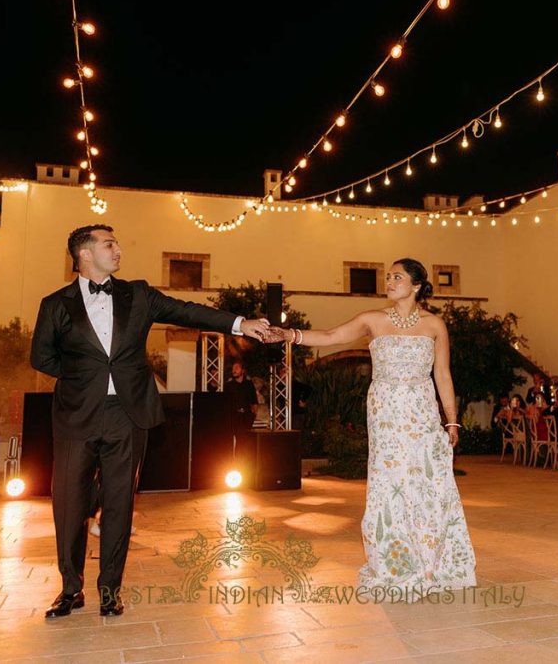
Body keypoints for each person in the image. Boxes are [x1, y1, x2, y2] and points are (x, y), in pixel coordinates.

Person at [30, 224, 271, 618]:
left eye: (118, 241)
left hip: (129, 415)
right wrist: (83, 379)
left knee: (119, 504)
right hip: (77, 416)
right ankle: (70, 589)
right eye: (109, 243)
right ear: (84, 253)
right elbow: (42, 357)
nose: (118, 248)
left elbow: (188, 310)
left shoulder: (138, 295)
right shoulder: (55, 303)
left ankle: (110, 590)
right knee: (70, 505)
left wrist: (239, 323)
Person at [268, 258, 475, 593]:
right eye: (388, 276)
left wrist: (451, 420)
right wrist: (291, 334)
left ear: (417, 285)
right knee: (390, 483)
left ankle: (432, 560)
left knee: (425, 483)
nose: (389, 282)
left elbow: (443, 375)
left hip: (421, 413)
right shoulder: (373, 319)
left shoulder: (435, 325)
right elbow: (333, 335)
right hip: (386, 413)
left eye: (398, 277)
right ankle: (394, 560)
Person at [224, 361, 258, 434]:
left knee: (245, 439)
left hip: (246, 417)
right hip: (234, 417)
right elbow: (225, 403)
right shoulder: (228, 385)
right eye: (233, 369)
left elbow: (254, 401)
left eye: (236, 368)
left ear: (243, 371)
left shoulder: (249, 384)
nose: (234, 370)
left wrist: (253, 415)